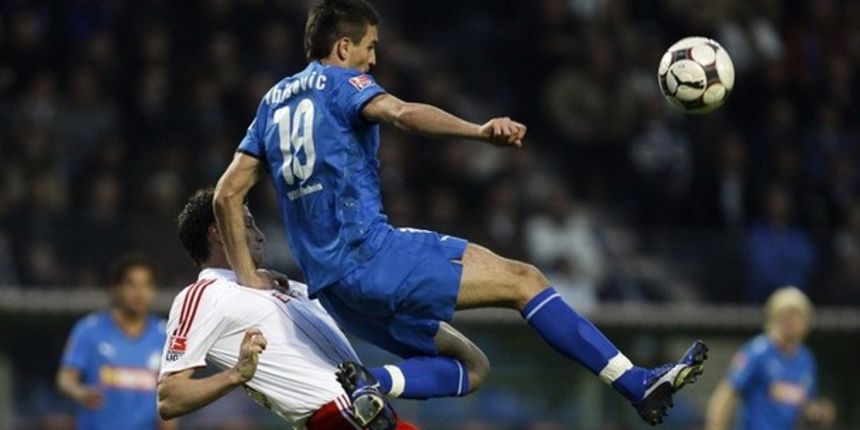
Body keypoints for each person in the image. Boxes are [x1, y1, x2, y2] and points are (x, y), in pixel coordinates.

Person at [212, 0, 707, 425]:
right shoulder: (343, 84)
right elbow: (402, 113)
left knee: (471, 367)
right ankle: (635, 383)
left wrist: (247, 276)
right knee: (524, 280)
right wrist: (478, 131)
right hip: (374, 256)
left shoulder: (270, 105)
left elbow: (227, 194)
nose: (375, 59)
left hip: (336, 290)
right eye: (369, 47)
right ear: (343, 48)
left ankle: (369, 383)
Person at [157, 187, 418, 430]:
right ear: (218, 232)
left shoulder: (282, 284)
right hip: (336, 417)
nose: (260, 235)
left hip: (369, 410)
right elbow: (170, 398)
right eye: (248, 224)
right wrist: (235, 374)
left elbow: (355, 317)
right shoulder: (203, 295)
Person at [57, 256, 176, 430]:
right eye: (131, 284)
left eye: (146, 285)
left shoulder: (165, 335)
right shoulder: (89, 330)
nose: (139, 292)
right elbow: (65, 379)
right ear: (116, 288)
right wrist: (80, 393)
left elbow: (171, 397)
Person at [705, 287, 836, 430]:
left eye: (795, 316)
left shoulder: (806, 358)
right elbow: (725, 394)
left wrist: (818, 413)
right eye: (783, 315)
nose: (789, 322)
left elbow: (805, 404)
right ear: (772, 318)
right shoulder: (757, 352)